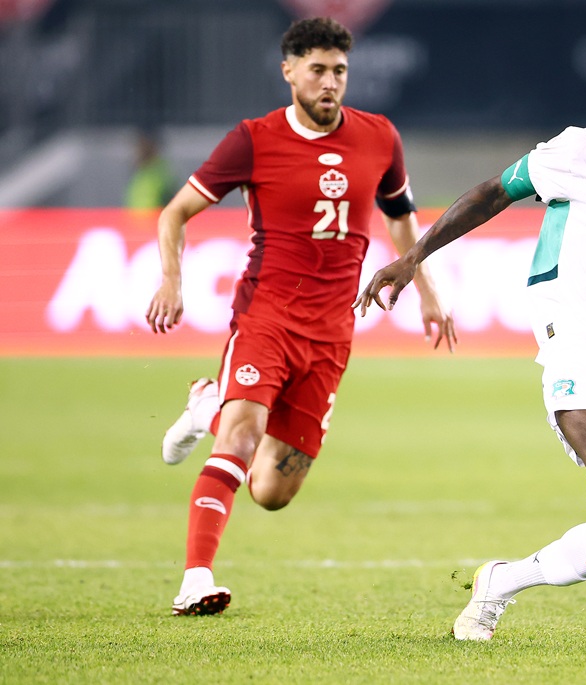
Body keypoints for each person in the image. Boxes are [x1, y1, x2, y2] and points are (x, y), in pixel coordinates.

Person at [355, 41, 586, 647]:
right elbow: (492, 193)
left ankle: (501, 582)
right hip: (578, 336)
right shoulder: (582, 150)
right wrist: (414, 257)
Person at [144, 17, 455, 616]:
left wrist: (427, 287)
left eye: (339, 70)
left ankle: (207, 405)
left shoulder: (379, 136)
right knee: (241, 438)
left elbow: (399, 216)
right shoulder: (253, 140)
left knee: (271, 491)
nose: (329, 82)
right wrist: (172, 279)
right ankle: (195, 579)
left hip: (333, 332)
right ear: (289, 72)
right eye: (317, 70)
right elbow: (174, 213)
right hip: (266, 317)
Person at [124, 131, 177, 210]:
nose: (138, 151)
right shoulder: (138, 174)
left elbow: (172, 200)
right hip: (135, 217)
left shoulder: (162, 172)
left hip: (155, 217)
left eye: (143, 147)